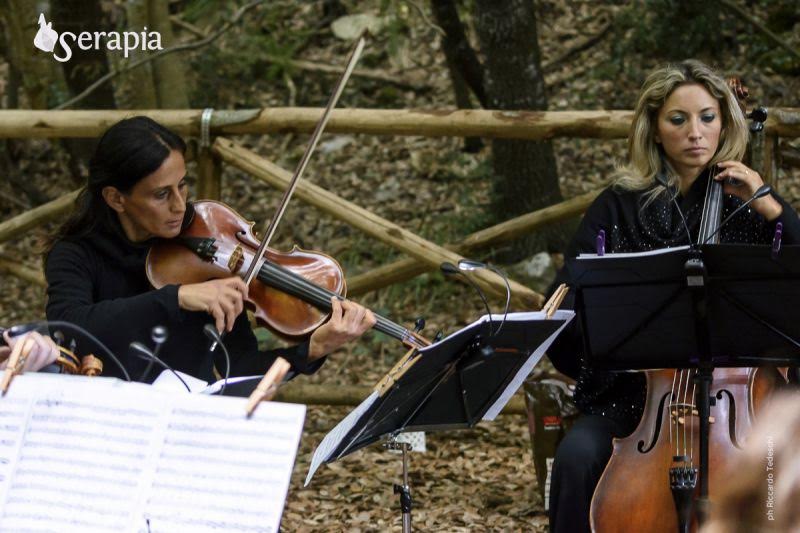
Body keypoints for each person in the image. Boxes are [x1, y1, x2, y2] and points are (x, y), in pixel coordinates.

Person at [545, 59, 800, 532]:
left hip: (738, 405)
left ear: (725, 122)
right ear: (655, 129)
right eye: (677, 119)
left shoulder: (749, 203)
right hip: (637, 404)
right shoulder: (617, 206)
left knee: (783, 467)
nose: (695, 132)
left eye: (707, 117)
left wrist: (768, 202)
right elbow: (566, 296)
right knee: (576, 459)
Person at [43, 116, 376, 385]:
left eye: (183, 184)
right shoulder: (76, 254)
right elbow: (70, 325)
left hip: (191, 424)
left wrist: (311, 350)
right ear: (116, 198)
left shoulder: (205, 257)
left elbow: (241, 368)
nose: (179, 205)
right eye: (161, 195)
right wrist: (178, 297)